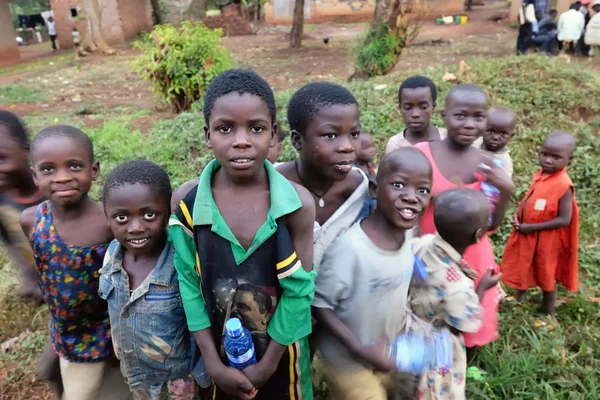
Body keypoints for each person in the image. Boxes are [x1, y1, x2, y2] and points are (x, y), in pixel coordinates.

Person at [169, 69, 316, 400]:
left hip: (284, 357)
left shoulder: (296, 205)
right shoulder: (188, 203)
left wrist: (267, 364)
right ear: (207, 135)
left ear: (273, 134)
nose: (241, 140)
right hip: (219, 354)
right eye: (225, 128)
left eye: (256, 128)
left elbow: (300, 292)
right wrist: (212, 362)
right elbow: (190, 285)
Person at [312, 147, 433, 400]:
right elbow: (320, 305)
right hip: (347, 358)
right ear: (375, 189)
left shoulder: (409, 235)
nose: (412, 197)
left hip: (386, 349)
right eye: (399, 185)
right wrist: (361, 351)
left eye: (422, 190)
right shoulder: (351, 249)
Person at [20, 125, 129, 400]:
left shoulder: (109, 222)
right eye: (48, 169)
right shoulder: (32, 221)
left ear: (94, 170)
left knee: (123, 389)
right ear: (34, 176)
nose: (63, 177)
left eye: (74, 166)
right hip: (71, 336)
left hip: (114, 330)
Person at [414, 84, 515, 353]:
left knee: (471, 308)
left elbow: (491, 223)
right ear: (444, 116)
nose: (469, 124)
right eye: (461, 116)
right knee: (428, 309)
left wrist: (505, 189)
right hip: (430, 252)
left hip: (473, 252)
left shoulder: (489, 165)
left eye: (478, 117)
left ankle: (465, 360)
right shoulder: (422, 154)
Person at [100, 160, 210, 399]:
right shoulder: (111, 255)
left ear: (168, 210)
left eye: (149, 214)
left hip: (178, 384)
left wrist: (204, 378)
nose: (136, 227)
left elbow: (200, 324)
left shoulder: (181, 262)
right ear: (106, 216)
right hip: (135, 373)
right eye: (121, 218)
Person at [409, 188, 502, 400]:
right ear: (478, 235)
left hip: (408, 333)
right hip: (437, 349)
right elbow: (466, 322)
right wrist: (482, 288)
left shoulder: (420, 245)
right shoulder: (458, 286)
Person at [276, 82, 369, 271]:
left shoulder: (361, 190)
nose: (347, 146)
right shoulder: (271, 185)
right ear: (297, 140)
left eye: (354, 134)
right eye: (330, 136)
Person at [501, 131, 579, 317]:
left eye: (555, 157)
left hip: (546, 240)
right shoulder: (541, 175)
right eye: (545, 154)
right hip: (527, 232)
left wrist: (531, 227)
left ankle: (548, 311)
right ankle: (520, 296)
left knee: (546, 271)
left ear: (570, 159)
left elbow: (564, 219)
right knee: (524, 262)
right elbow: (530, 201)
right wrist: (518, 217)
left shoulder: (563, 185)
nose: (548, 160)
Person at [0, 110, 44, 301]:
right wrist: (29, 278)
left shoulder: (55, 193)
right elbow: (11, 243)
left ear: (27, 151)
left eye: (1, 159)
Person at [385, 76, 447, 154]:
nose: (415, 114)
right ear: (400, 108)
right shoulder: (396, 145)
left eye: (423, 107)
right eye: (408, 108)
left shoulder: (447, 139)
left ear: (433, 107)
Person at [472, 105, 516, 178]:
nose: (495, 137)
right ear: (482, 129)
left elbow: (504, 183)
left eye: (503, 134)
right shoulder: (474, 143)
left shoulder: (505, 161)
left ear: (511, 136)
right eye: (491, 131)